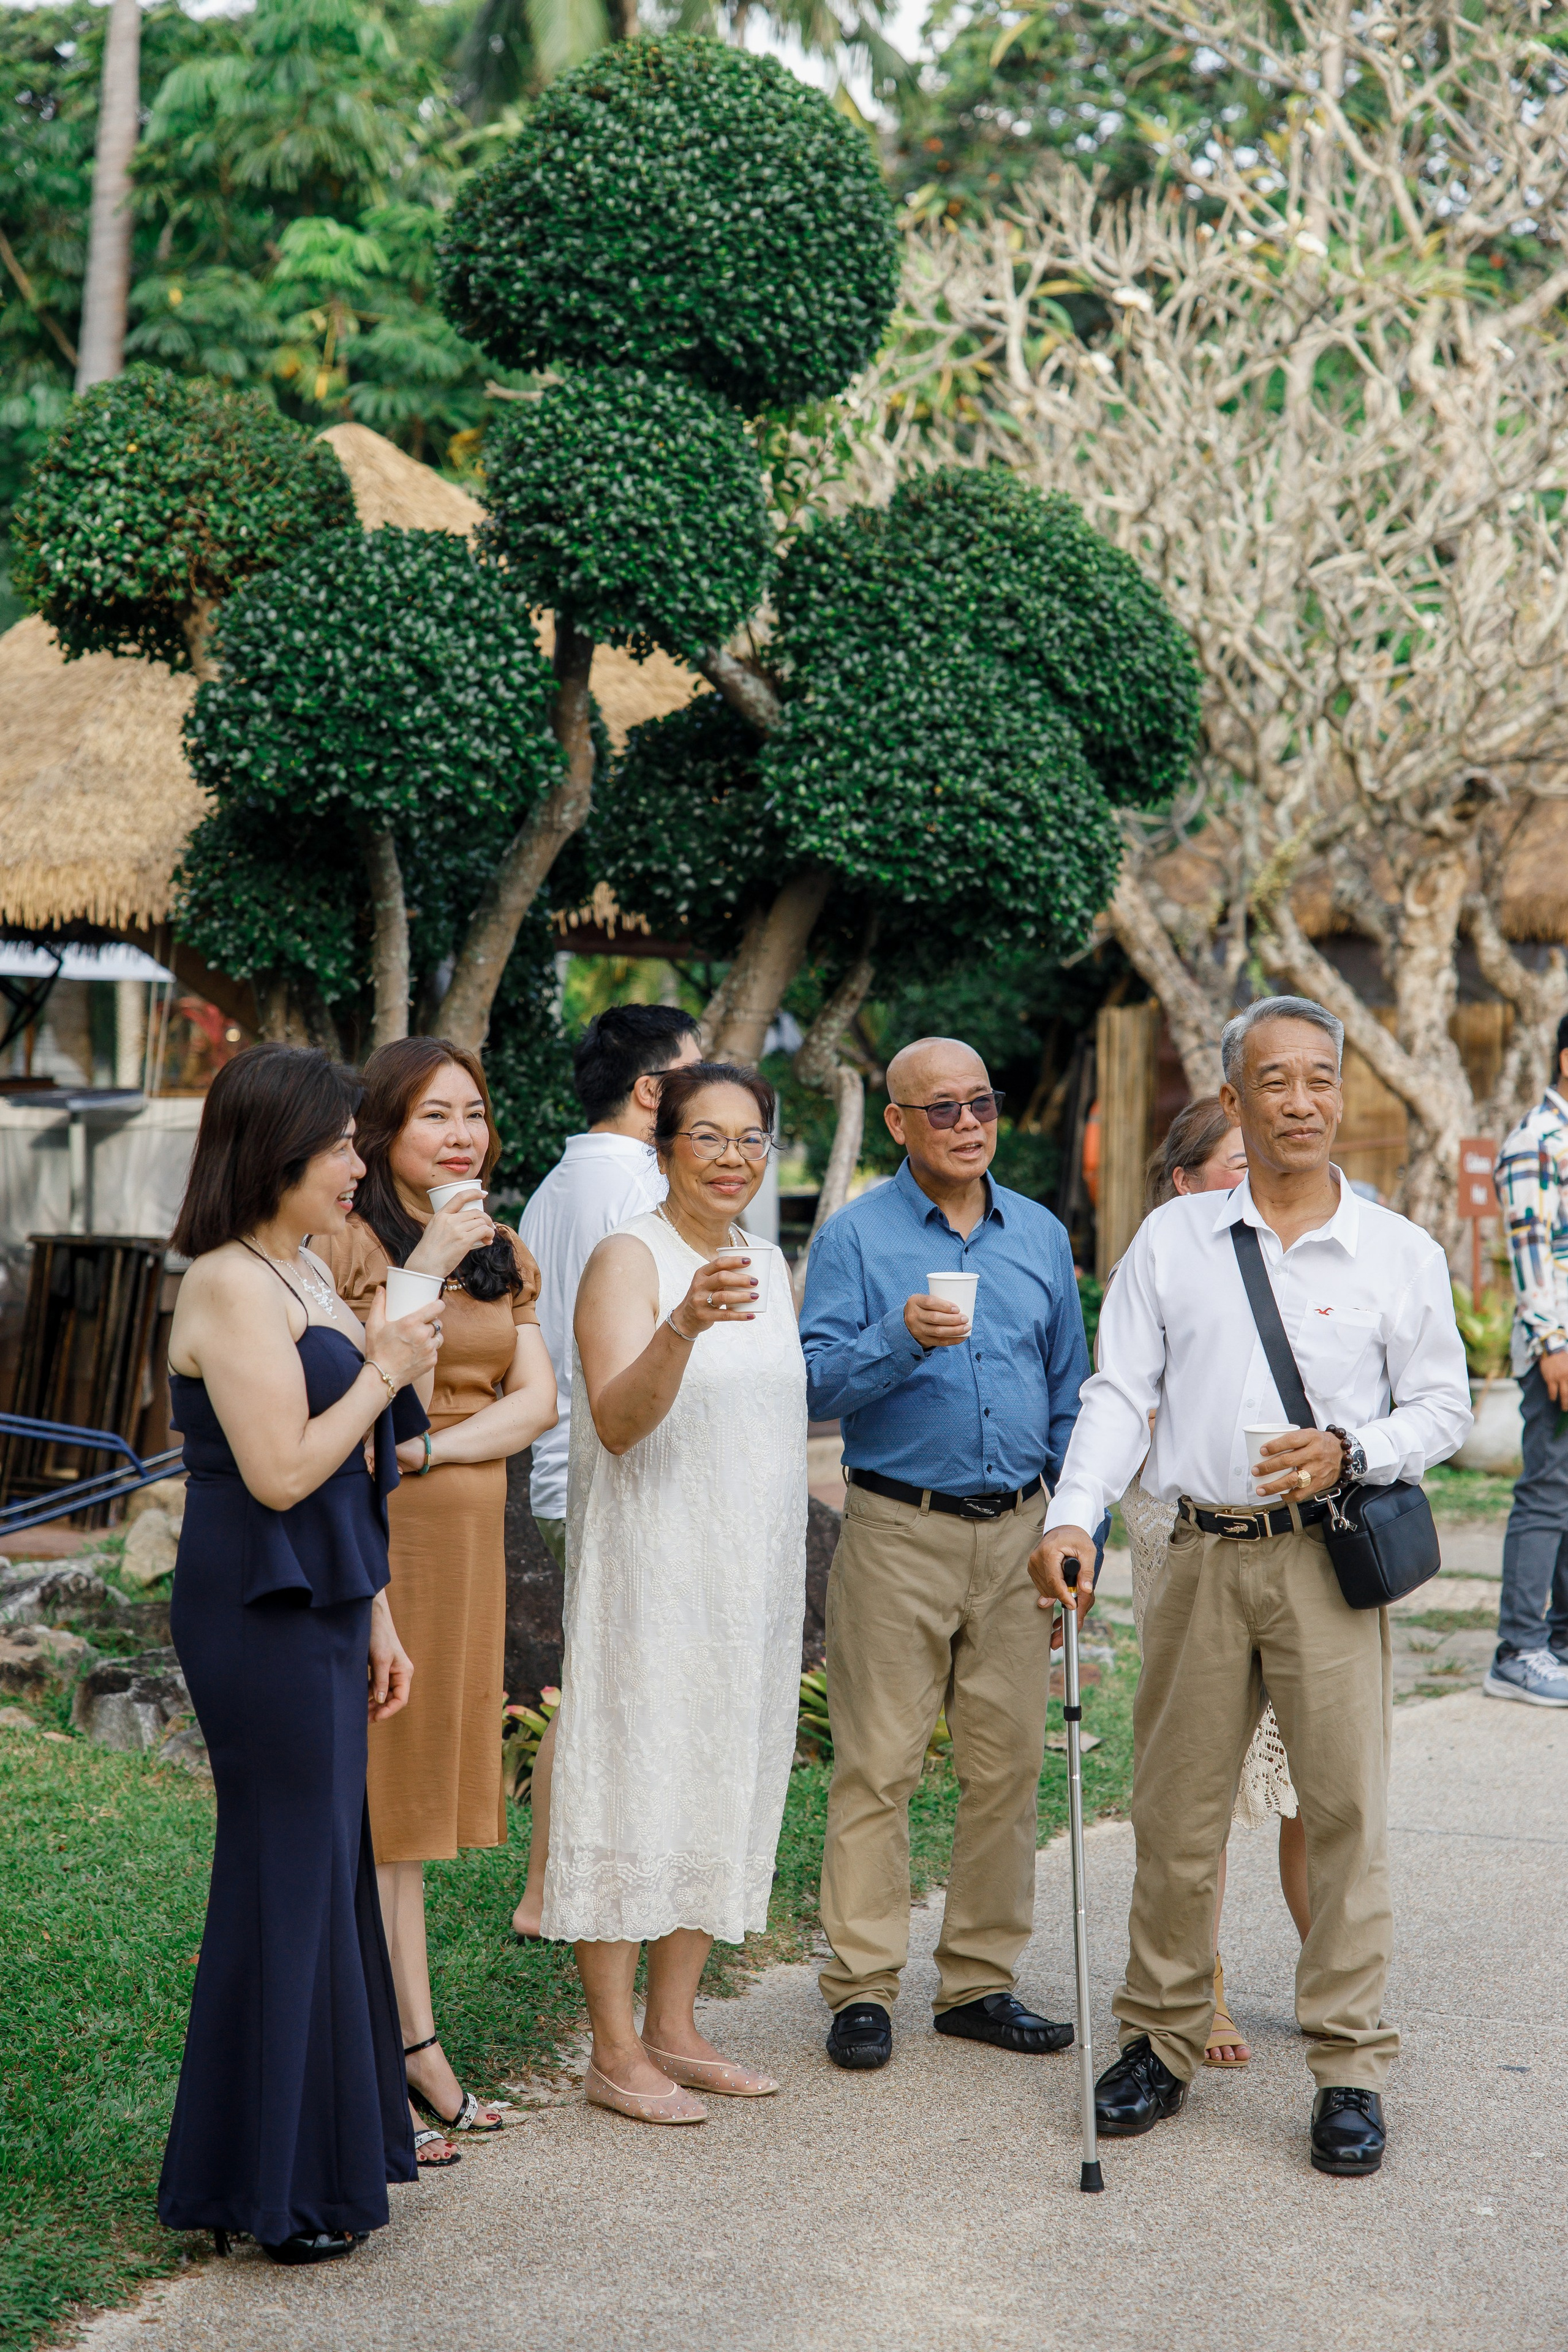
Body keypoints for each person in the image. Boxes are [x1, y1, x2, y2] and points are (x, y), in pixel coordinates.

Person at [1035, 996, 1471, 2177]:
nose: (1302, 1101)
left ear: (1342, 1093)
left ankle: (1349, 2069)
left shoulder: (1397, 1251)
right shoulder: (1173, 1242)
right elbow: (1120, 1393)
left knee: (1341, 1817)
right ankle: (1159, 2042)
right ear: (1234, 1099)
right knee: (1175, 1812)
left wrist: (1353, 1448)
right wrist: (1072, 1515)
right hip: (1198, 1554)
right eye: (1275, 1081)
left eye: (1321, 1078)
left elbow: (1444, 1405)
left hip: (1325, 1556)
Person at [156, 1043, 442, 2263]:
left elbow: (353, 1476)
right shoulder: (230, 1282)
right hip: (256, 1608)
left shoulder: (309, 1267)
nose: (357, 1164)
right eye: (337, 1145)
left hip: (324, 1600)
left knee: (324, 1866)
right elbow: (280, 1471)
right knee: (287, 1873)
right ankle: (271, 2187)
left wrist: (376, 1610)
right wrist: (385, 1370)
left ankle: (318, 2163)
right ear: (274, 1150)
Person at [799, 1035, 1090, 2073]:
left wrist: (1078, 1525)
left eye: (982, 1103)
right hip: (896, 1529)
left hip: (1020, 1535)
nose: (969, 1124)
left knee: (1008, 1769)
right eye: (943, 1109)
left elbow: (1071, 1394)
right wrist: (902, 1338)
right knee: (877, 1767)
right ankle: (862, 1988)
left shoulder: (1041, 1233)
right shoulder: (854, 1237)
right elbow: (814, 1383)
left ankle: (977, 1983)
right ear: (898, 1123)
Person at [543, 1061, 804, 2124]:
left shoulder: (768, 1262)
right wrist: (683, 1324)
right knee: (632, 1785)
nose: (732, 1158)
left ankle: (675, 2027)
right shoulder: (628, 1256)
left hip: (747, 1582)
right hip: (651, 1575)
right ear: (663, 1149)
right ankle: (612, 2051)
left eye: (751, 1138)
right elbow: (615, 1422)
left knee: (717, 1780)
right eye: (708, 1136)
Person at [319, 1039, 557, 2158]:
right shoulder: (351, 1242)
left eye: (474, 1113)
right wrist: (429, 1262)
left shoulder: (500, 1246)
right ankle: (403, 2053)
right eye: (434, 1116)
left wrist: (431, 1453)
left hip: (462, 1539)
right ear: (381, 1130)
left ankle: (404, 2041)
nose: (463, 1136)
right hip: (390, 1543)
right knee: (385, 1801)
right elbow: (391, 1391)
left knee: (409, 1817)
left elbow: (538, 1401)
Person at [1119, 1098, 1308, 2070]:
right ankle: (1203, 1985)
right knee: (1209, 1780)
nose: (1256, 1174)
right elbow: (1121, 1396)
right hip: (1185, 1533)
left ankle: (1331, 1975)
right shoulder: (1166, 1256)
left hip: (1304, 1542)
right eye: (1237, 1161)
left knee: (1311, 1778)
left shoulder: (1314, 1245)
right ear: (1186, 1181)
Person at [510, 1003, 702, 1940]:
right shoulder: (635, 1190)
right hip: (611, 1467)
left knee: (601, 1685)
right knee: (610, 1693)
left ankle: (558, 1888)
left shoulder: (560, 1184)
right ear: (652, 1092)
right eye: (698, 1076)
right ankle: (553, 1893)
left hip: (568, 1464)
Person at [1486, 1013, 1568, 1705]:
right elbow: (1529, 1249)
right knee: (1546, 1491)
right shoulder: (1534, 1141)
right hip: (1558, 1346)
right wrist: (1552, 1343)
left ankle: (1560, 1641)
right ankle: (1517, 1649)